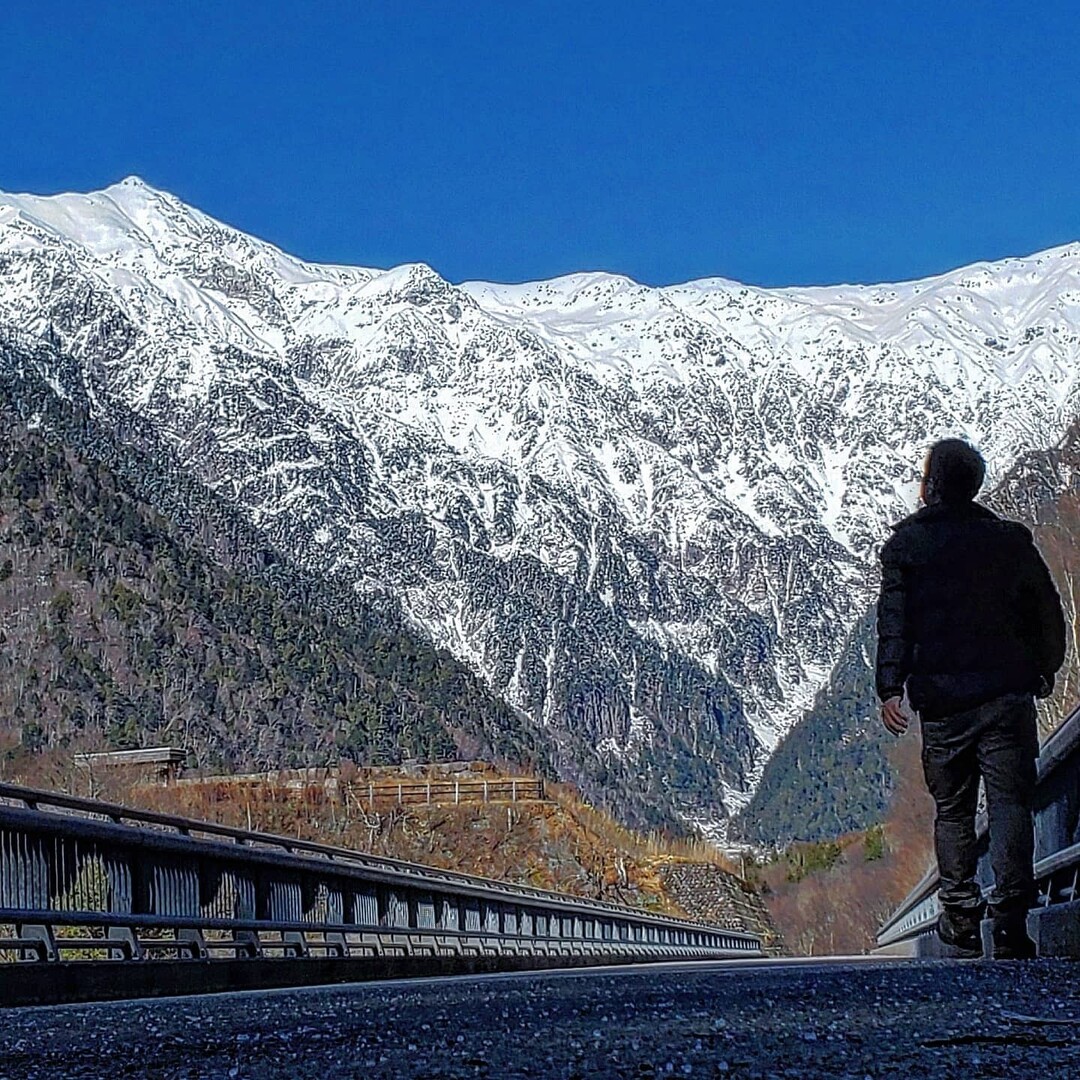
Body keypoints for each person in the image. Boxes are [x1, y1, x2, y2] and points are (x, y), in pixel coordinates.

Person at [875, 438, 1066, 959]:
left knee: (953, 811)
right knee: (1011, 805)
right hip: (1007, 695)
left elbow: (894, 626)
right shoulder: (1009, 541)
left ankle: (960, 917)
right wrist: (1043, 670)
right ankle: (1010, 921)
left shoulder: (907, 547)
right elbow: (1048, 615)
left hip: (942, 704)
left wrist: (891, 687)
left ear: (930, 484)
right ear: (975, 484)